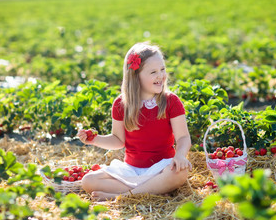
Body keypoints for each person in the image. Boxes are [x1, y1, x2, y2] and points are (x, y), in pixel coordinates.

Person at [77, 42, 192, 201]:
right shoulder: (121, 104)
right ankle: (153, 190)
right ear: (136, 76)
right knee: (88, 181)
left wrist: (180, 155)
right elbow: (118, 140)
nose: (161, 76)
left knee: (180, 173)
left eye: (162, 69)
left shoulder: (171, 101)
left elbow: (183, 138)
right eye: (153, 72)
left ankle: (121, 197)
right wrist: (95, 139)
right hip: (131, 170)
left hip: (162, 168)